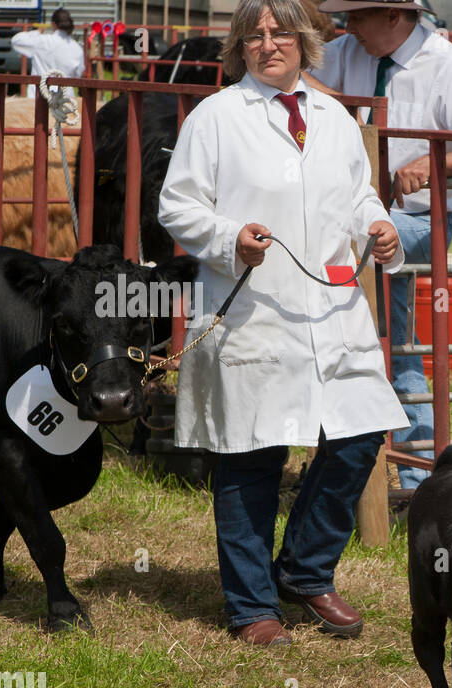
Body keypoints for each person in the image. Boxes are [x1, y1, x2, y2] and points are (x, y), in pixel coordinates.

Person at [157, 0, 406, 649]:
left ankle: (304, 568)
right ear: (240, 47)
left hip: (332, 308)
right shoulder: (215, 119)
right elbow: (176, 206)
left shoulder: (335, 120)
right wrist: (227, 236)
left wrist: (377, 227)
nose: (269, 44)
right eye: (255, 35)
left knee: (358, 432)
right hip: (252, 311)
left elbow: (358, 194)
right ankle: (251, 608)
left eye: (281, 33)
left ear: (305, 41)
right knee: (251, 453)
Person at [306, 0, 452, 491]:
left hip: (416, 220)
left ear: (394, 16)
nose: (347, 27)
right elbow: (291, 75)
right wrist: (337, 101)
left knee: (391, 338)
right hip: (353, 217)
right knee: (385, 334)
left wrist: (433, 163)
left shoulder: (448, 63)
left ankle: (412, 472)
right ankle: (399, 466)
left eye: (356, 17)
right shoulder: (344, 50)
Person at [10, 8, 85, 98]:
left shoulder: (42, 41)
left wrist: (37, 32)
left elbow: (16, 40)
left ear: (53, 24)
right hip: (64, 98)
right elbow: (78, 75)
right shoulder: (77, 48)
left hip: (39, 96)